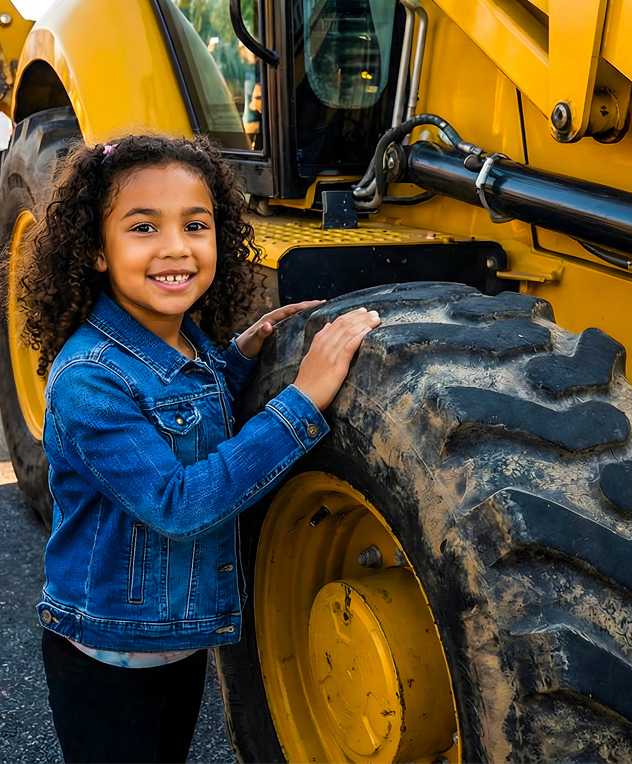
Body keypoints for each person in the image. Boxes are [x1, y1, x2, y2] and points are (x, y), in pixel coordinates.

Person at [19, 133, 381, 763]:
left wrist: (241, 355)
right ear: (95, 250)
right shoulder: (89, 379)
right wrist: (303, 399)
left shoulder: (186, 341)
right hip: (109, 656)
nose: (175, 248)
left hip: (175, 642)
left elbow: (191, 414)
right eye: (142, 227)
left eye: (195, 224)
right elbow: (180, 503)